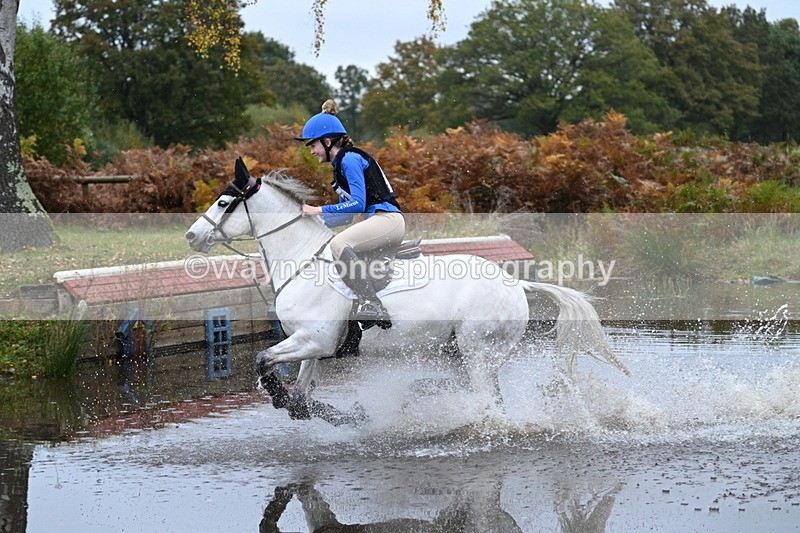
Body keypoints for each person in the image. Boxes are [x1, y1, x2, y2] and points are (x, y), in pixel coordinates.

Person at [297, 99, 405, 329]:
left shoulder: (350, 159)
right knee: (334, 245)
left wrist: (319, 209)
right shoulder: (339, 169)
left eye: (313, 146)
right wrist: (308, 221)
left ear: (327, 142)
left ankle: (372, 303)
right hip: (380, 221)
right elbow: (344, 216)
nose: (312, 152)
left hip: (388, 220)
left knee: (339, 244)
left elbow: (358, 203)